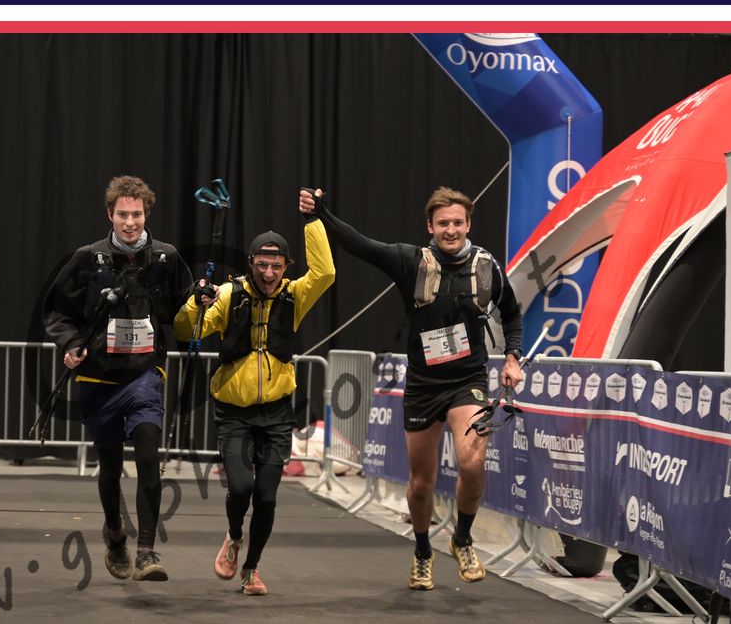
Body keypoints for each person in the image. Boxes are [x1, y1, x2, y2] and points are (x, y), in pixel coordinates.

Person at [299, 186, 522, 590]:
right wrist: (321, 214)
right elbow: (362, 245)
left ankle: (462, 538)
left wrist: (512, 357)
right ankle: (422, 551)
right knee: (421, 483)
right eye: (443, 223)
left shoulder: (486, 266)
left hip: (467, 381)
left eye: (458, 222)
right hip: (423, 384)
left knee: (472, 463)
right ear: (430, 226)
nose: (451, 230)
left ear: (468, 224)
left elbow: (511, 311)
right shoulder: (411, 260)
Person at [173, 205, 335, 595]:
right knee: (242, 486)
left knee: (267, 496)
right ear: (250, 264)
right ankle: (233, 535)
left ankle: (251, 568)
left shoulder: (295, 295)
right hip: (233, 411)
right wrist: (197, 301)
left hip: (277, 412)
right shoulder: (229, 294)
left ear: (286, 267)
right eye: (262, 265)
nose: (268, 273)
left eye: (276, 266)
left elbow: (325, 273)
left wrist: (312, 221)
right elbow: (185, 329)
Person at [43, 175, 193, 581]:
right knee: (109, 466)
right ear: (110, 214)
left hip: (144, 374)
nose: (130, 222)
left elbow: (186, 308)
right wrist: (71, 344)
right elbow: (56, 312)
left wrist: (203, 299)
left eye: (137, 215)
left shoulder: (166, 258)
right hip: (98, 378)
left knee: (148, 456)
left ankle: (146, 552)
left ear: (147, 215)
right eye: (123, 214)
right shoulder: (87, 258)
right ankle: (114, 534)